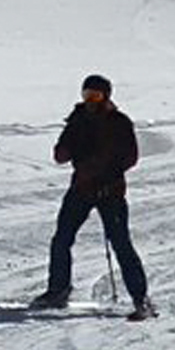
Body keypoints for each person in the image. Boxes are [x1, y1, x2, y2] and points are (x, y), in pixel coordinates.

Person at [34, 74, 155, 320]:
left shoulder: (119, 122)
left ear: (106, 96)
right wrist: (66, 148)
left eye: (95, 95)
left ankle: (141, 299)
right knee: (61, 239)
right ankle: (58, 290)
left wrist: (105, 173)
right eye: (86, 94)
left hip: (110, 192)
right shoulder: (77, 120)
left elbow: (130, 158)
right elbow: (60, 155)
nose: (90, 100)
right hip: (81, 189)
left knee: (121, 244)